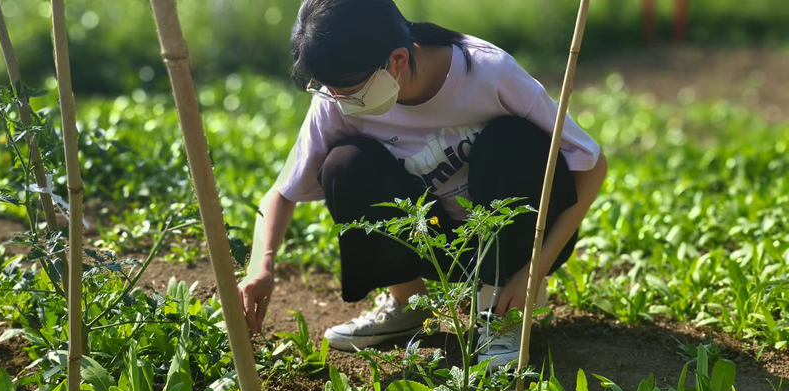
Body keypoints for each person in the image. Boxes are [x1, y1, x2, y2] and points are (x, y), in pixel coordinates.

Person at [239, 0, 607, 369]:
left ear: (397, 60)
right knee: (344, 163)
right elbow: (282, 193)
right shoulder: (339, 99)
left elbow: (592, 165)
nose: (337, 100)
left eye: (347, 89)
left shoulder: (487, 72)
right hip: (438, 246)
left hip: (523, 238)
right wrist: (261, 266)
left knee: (510, 140)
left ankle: (500, 312)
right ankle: (407, 304)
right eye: (327, 88)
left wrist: (532, 271)